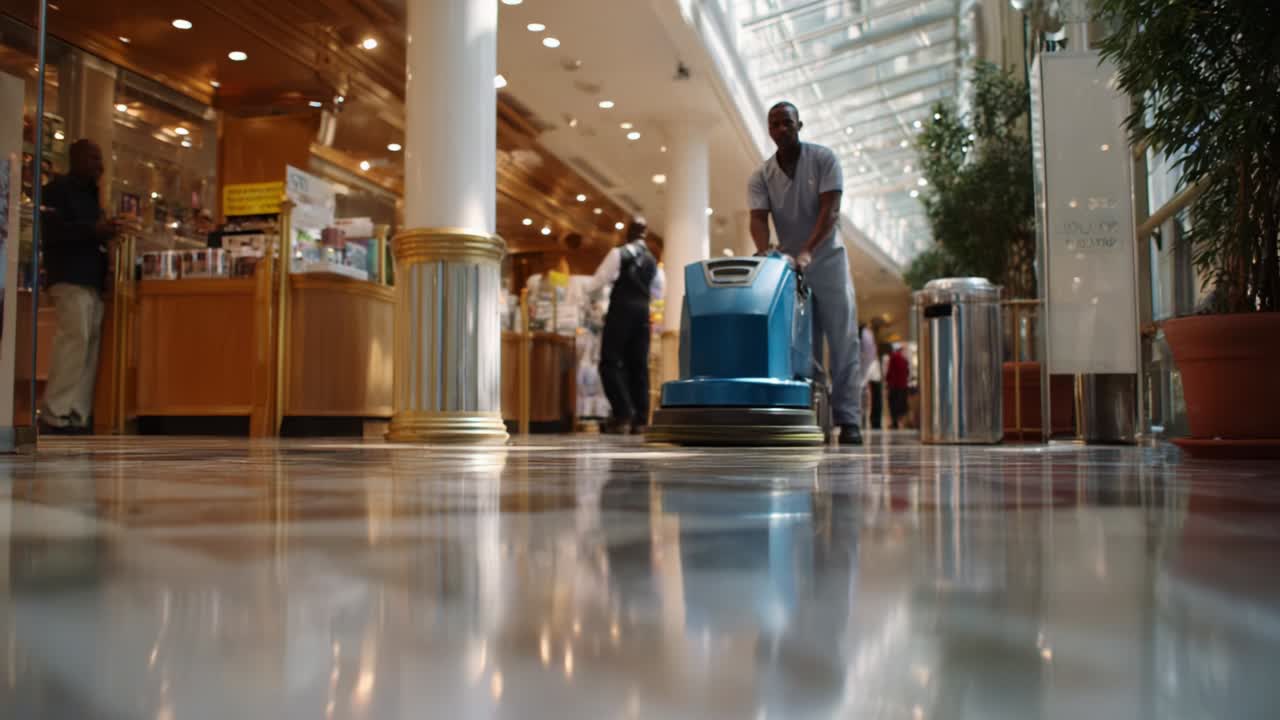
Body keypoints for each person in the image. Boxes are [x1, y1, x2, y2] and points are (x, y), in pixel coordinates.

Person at [748, 101, 862, 445]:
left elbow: (830, 210)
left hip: (827, 259)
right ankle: (812, 415)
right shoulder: (761, 176)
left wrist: (809, 250)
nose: (781, 129)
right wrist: (765, 250)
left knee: (842, 340)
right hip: (790, 267)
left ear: (799, 124)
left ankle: (849, 419)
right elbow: (757, 218)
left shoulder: (824, 159)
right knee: (802, 344)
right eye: (775, 124)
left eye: (787, 123)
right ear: (769, 130)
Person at [39, 139, 117, 434]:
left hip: (91, 280)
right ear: (77, 159)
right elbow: (54, 233)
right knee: (74, 339)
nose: (100, 165)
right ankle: (54, 411)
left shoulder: (93, 195)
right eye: (94, 158)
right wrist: (94, 231)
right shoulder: (56, 190)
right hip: (68, 276)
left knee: (89, 345)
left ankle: (77, 412)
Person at [589, 219, 665, 434]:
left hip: (621, 310)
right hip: (643, 313)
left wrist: (592, 300)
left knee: (610, 362)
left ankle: (623, 414)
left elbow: (597, 282)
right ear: (645, 234)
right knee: (638, 364)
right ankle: (640, 420)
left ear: (628, 233)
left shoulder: (618, 254)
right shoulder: (653, 262)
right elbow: (659, 292)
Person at [857, 323, 882, 430]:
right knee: (875, 395)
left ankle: (864, 420)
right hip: (871, 365)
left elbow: (866, 353)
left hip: (868, 366)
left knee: (864, 394)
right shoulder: (868, 333)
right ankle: (875, 421)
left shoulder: (864, 333)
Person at [886, 344, 911, 430]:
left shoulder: (893, 357)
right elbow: (907, 372)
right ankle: (900, 422)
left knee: (894, 405)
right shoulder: (903, 359)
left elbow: (890, 372)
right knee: (900, 405)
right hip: (902, 385)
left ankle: (895, 422)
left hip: (894, 385)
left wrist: (888, 381)